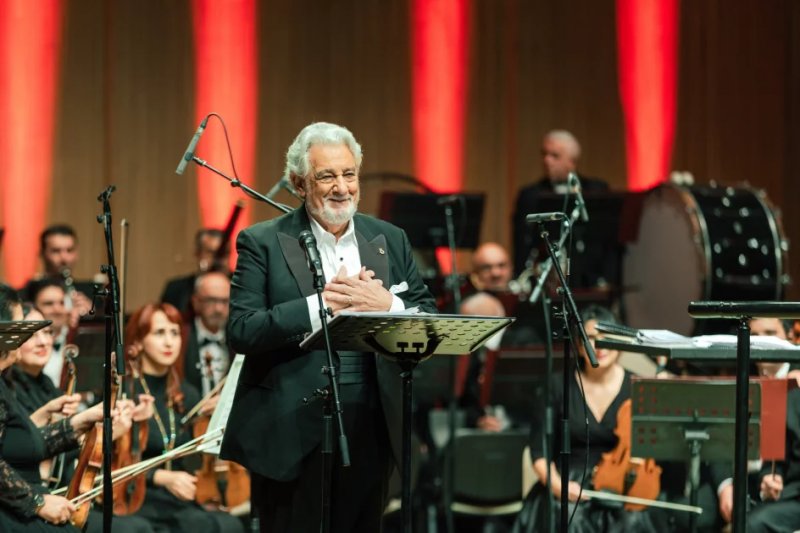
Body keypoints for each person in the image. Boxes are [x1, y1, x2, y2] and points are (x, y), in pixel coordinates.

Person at [219, 122, 437, 532]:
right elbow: (242, 330)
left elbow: (426, 313)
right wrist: (320, 305)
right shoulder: (262, 241)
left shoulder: (389, 237)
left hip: (372, 422)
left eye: (349, 173)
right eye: (327, 176)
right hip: (289, 429)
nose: (342, 187)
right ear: (300, 184)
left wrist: (387, 304)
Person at [514, 305, 667, 532]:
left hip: (624, 485)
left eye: (607, 338)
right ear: (578, 344)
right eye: (591, 338)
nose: (599, 346)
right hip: (569, 482)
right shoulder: (558, 386)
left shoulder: (639, 387)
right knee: (569, 517)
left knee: (634, 522)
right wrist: (558, 485)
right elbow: (539, 451)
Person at [0, 283, 131, 531]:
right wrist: (37, 502)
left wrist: (78, 423)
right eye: (23, 327)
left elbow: (23, 444)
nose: (30, 335)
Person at [123, 302, 243, 533]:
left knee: (231, 524)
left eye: (175, 333)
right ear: (138, 342)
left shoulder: (186, 393)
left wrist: (212, 420)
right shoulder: (126, 391)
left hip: (177, 494)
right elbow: (115, 462)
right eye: (159, 333)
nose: (169, 342)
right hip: (138, 495)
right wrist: (161, 477)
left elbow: (190, 458)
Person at [512, 130, 609, 276]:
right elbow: (520, 243)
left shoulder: (596, 191)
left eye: (554, 156)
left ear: (572, 161)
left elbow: (606, 239)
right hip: (545, 275)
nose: (546, 160)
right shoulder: (531, 195)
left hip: (589, 276)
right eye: (544, 154)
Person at [19, 225, 94, 318]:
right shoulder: (26, 293)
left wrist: (91, 314)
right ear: (42, 254)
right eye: (56, 251)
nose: (64, 258)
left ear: (76, 253)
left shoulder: (91, 293)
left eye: (69, 250)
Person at [179, 272, 232, 398]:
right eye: (211, 300)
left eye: (225, 301)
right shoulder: (180, 336)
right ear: (196, 302)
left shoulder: (240, 338)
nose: (219, 309)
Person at [160, 229, 231, 316]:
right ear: (197, 254)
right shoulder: (176, 290)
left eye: (225, 254)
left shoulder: (243, 288)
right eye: (212, 253)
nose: (219, 261)